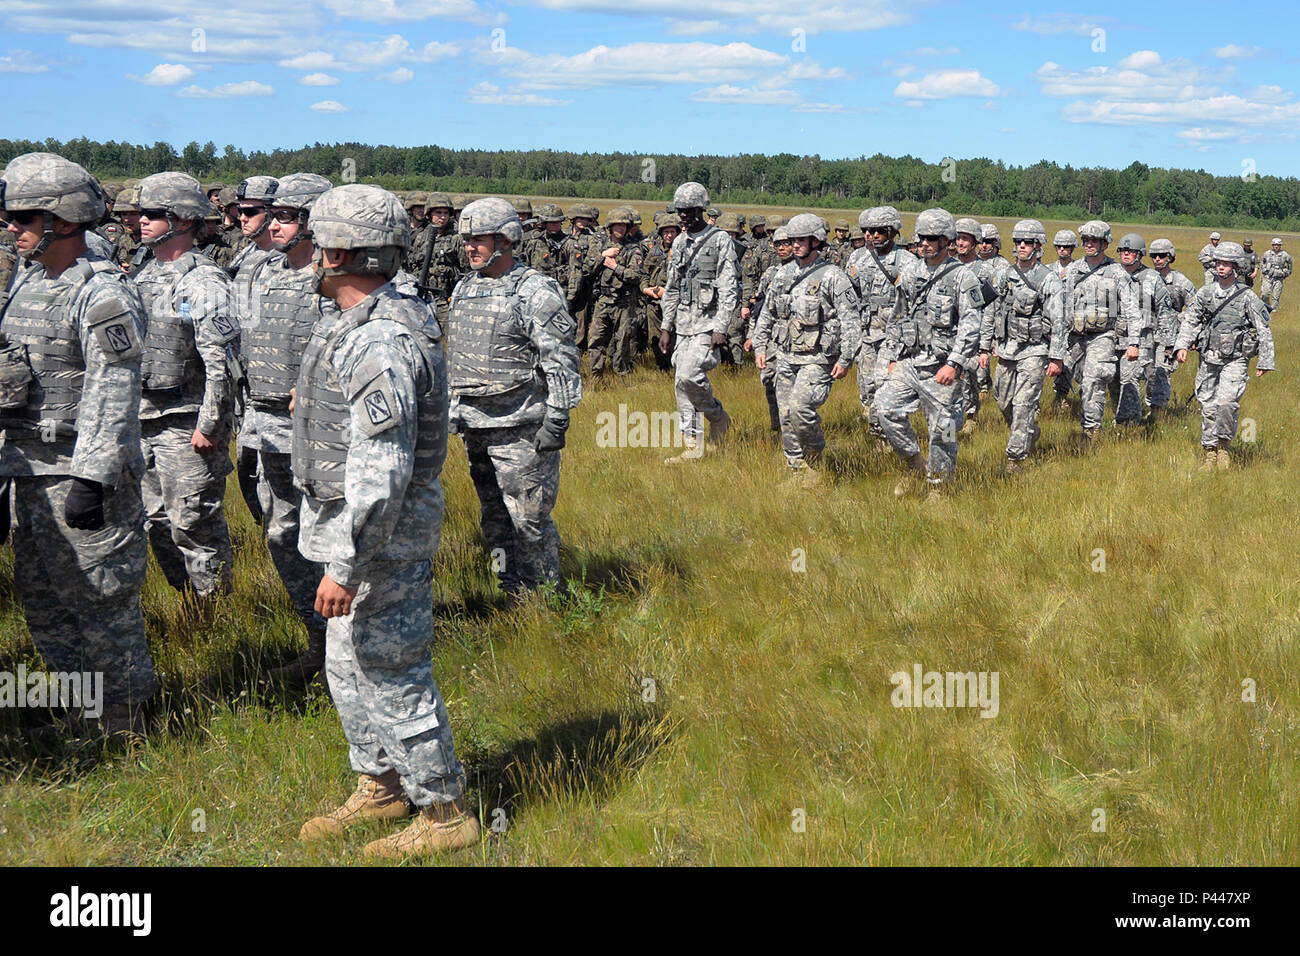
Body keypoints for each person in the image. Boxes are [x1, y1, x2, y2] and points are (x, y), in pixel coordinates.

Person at [293, 183, 479, 858]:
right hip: (354, 530)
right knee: (348, 666)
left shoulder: (381, 341)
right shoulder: (363, 321)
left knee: (391, 669)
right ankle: (381, 785)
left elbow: (383, 468)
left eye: (315, 242)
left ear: (340, 252)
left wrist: (346, 563)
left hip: (379, 542)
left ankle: (446, 811)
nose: (308, 254)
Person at [0, 151, 157, 735]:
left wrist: (91, 478)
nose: (11, 228)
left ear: (63, 220)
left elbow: (113, 390)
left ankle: (124, 716)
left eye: (23, 217)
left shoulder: (102, 293)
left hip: (78, 475)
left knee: (101, 601)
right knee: (44, 602)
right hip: (27, 471)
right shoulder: (29, 283)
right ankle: (79, 708)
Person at [446, 197, 583, 596]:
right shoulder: (466, 288)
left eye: (479, 240)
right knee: (493, 519)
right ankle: (508, 586)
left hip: (521, 430)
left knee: (529, 521)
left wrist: (557, 418)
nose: (470, 247)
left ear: (506, 239)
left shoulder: (534, 292)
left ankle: (542, 598)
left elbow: (560, 359)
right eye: (466, 239)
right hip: (475, 427)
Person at [242, 173, 334, 682]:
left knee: (327, 539)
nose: (272, 225)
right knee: (282, 534)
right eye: (272, 215)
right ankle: (317, 642)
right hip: (265, 424)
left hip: (317, 431)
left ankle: (345, 650)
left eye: (285, 216)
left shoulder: (331, 278)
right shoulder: (264, 272)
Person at [131, 172, 239, 601]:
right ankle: (189, 604)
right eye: (142, 213)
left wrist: (209, 426)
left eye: (154, 214)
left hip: (186, 423)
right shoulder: (143, 275)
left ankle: (217, 612)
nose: (141, 221)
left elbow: (222, 366)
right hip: (143, 419)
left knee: (194, 523)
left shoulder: (204, 283)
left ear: (183, 219)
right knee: (153, 521)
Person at [876, 208, 982, 498]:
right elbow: (897, 318)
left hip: (942, 368)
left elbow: (972, 326)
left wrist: (954, 363)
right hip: (911, 361)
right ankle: (913, 463)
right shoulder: (909, 274)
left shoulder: (963, 277)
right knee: (884, 408)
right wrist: (891, 359)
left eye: (932, 238)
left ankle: (940, 489)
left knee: (943, 431)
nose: (925, 243)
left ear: (947, 240)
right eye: (921, 237)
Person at [749, 213, 860, 485]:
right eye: (792, 240)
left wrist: (846, 359)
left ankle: (814, 458)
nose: (795, 245)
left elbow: (851, 321)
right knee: (785, 414)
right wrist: (760, 344)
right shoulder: (783, 274)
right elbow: (768, 313)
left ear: (815, 241)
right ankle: (796, 468)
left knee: (800, 408)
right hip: (786, 356)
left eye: (801, 240)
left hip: (818, 358)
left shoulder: (834, 276)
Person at [1173, 241, 1274, 470]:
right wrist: (1182, 345)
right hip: (1209, 357)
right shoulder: (1206, 293)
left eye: (1227, 264)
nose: (1221, 268)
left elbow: (1263, 328)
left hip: (1236, 359)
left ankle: (1223, 448)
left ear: (1236, 266)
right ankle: (1209, 451)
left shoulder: (1247, 296)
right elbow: (1191, 320)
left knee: (1227, 403)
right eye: (1219, 263)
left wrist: (1266, 360)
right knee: (1207, 405)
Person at [658, 181, 737, 463]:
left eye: (689, 210)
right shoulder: (678, 242)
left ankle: (717, 416)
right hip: (683, 324)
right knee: (680, 384)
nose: (683, 216)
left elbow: (729, 287)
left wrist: (721, 327)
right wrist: (666, 326)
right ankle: (693, 445)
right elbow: (673, 287)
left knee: (688, 376)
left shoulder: (719, 240)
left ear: (701, 209)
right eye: (679, 211)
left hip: (707, 323)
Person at [979, 220, 1064, 473]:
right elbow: (988, 309)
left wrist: (1056, 357)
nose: (1022, 246)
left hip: (1034, 351)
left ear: (1038, 246)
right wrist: (984, 348)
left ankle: (1015, 460)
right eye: (1018, 242)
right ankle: (1030, 432)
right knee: (1003, 402)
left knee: (1024, 405)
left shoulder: (1048, 280)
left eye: (1028, 242)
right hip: (1006, 350)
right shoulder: (1003, 275)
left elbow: (1059, 320)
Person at [1061, 220, 1139, 446]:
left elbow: (1132, 309)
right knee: (1081, 381)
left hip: (1102, 336)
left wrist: (1133, 342)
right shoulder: (1074, 270)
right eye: (1086, 240)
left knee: (1094, 381)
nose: (1089, 244)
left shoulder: (1116, 272)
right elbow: (1062, 303)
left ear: (1105, 244)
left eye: (1094, 240)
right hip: (1075, 338)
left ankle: (1091, 434)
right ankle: (1097, 419)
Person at [846, 206, 915, 432]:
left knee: (885, 382)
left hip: (893, 335)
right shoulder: (859, 259)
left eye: (879, 231)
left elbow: (914, 301)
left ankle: (886, 432)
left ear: (893, 232)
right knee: (866, 382)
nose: (873, 235)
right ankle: (873, 423)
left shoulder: (907, 261)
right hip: (867, 331)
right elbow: (850, 294)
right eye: (869, 230)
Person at [1112, 234, 1174, 426]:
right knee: (1113, 380)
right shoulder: (1111, 274)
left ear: (1139, 254)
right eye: (1123, 251)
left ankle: (1129, 423)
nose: (1126, 254)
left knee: (1130, 378)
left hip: (1142, 337)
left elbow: (1165, 311)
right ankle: (1117, 414)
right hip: (1113, 335)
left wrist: (1167, 342)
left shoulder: (1152, 278)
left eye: (1130, 251)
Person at [744, 224, 795, 431]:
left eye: (786, 244)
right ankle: (778, 426)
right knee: (769, 381)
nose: (782, 248)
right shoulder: (770, 274)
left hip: (795, 338)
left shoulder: (807, 272)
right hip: (771, 338)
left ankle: (793, 428)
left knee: (792, 386)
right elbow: (758, 307)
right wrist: (752, 336)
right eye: (778, 244)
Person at [588, 205, 647, 376]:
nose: (620, 228)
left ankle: (620, 376)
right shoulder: (601, 246)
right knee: (596, 339)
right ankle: (595, 375)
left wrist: (616, 267)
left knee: (623, 342)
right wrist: (603, 256)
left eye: (623, 225)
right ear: (610, 226)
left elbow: (636, 276)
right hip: (603, 300)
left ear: (628, 228)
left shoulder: (633, 249)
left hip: (624, 303)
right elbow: (588, 269)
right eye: (617, 225)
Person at [1148, 238, 1196, 411]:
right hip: (1147, 333)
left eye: (1161, 256)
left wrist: (1179, 322)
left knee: (1162, 372)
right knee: (1148, 374)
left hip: (1168, 336)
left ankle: (1157, 412)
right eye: (1154, 256)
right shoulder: (1146, 278)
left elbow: (1195, 309)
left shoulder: (1181, 282)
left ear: (1170, 257)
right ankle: (1148, 405)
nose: (1157, 259)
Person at [1260, 238, 1292, 311]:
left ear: (1280, 246)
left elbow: (1290, 267)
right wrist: (1263, 272)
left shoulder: (1285, 255)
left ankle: (1274, 311)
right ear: (1272, 245)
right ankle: (1266, 307)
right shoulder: (1267, 253)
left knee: (1276, 296)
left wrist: (1285, 274)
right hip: (1267, 277)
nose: (1276, 246)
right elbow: (1262, 263)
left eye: (1278, 245)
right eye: (1275, 245)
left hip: (1278, 278)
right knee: (1265, 294)